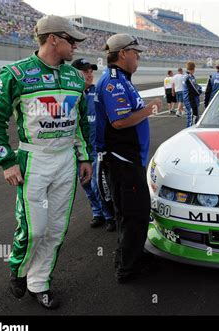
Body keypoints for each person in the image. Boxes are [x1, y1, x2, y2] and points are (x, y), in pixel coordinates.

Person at [0, 15, 92, 309]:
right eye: (72, 40)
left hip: (66, 160)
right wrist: (6, 161)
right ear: (53, 39)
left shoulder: (74, 77)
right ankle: (18, 269)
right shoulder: (16, 74)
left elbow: (81, 122)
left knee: (56, 229)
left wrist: (84, 157)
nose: (76, 47)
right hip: (34, 159)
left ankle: (39, 282)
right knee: (35, 229)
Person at [94, 33, 162, 283]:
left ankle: (128, 256)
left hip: (128, 159)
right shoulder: (114, 82)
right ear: (123, 53)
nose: (138, 57)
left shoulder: (122, 79)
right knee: (136, 213)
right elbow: (120, 121)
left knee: (131, 213)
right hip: (122, 160)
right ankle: (128, 267)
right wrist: (150, 109)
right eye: (136, 52)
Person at [72, 58, 116, 231]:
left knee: (99, 184)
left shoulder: (98, 92)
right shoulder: (69, 96)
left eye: (91, 71)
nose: (90, 75)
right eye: (85, 71)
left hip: (97, 148)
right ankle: (97, 212)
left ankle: (110, 215)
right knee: (85, 183)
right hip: (77, 149)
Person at [182, 61, 202, 127]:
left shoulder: (189, 76)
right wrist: (199, 90)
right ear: (193, 68)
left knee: (192, 118)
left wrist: (199, 88)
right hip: (190, 100)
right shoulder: (188, 77)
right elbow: (195, 90)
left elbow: (196, 86)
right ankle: (189, 133)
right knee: (192, 119)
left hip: (190, 100)